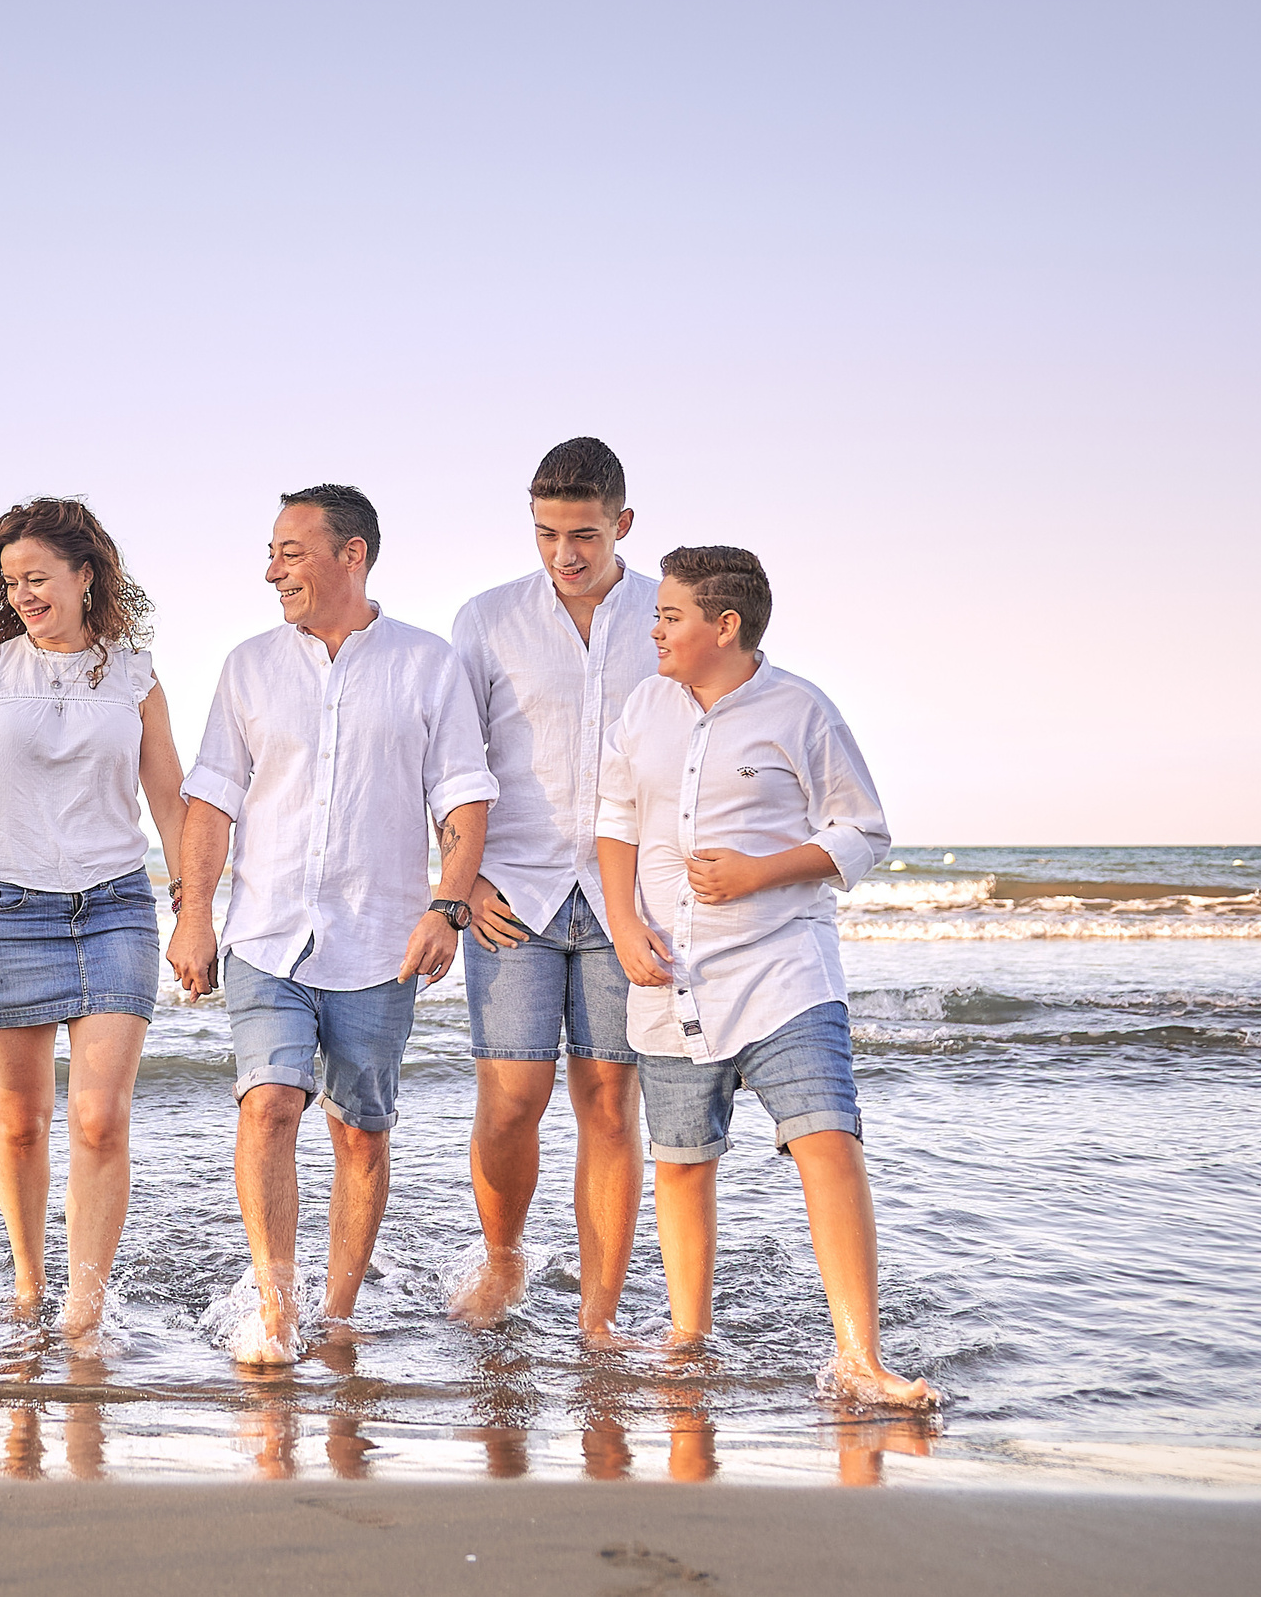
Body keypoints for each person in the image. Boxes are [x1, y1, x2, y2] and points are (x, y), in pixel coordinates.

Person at [595, 546, 939, 1405]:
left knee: (827, 1142)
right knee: (681, 1160)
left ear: (725, 625)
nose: (655, 628)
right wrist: (624, 925)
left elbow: (864, 831)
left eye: (670, 616)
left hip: (787, 969)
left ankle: (861, 1358)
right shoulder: (644, 706)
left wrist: (760, 872)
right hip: (670, 976)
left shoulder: (801, 710)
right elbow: (614, 824)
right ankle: (687, 1339)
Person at [169, 485, 497, 1364]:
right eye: (272, 551)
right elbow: (211, 799)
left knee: (361, 1130)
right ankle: (276, 1309)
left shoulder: (427, 663)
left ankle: (339, 1310)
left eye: (290, 551)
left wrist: (446, 908)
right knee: (271, 1102)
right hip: (266, 932)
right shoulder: (248, 666)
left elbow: (462, 794)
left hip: (380, 937)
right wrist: (194, 914)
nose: (272, 569)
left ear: (352, 555)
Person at [0, 499, 187, 1336]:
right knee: (21, 1122)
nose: (24, 594)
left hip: (114, 905)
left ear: (85, 575)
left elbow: (168, 799)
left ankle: (84, 1307)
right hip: (5, 906)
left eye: (38, 578)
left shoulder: (135, 675)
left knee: (100, 1118)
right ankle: (30, 1282)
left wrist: (196, 905)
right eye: (13, 582)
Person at [447, 437, 657, 1334]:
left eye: (583, 534)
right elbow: (449, 761)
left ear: (623, 524)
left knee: (610, 1103)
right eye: (545, 534)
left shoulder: (665, 615)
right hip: (514, 895)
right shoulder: (488, 619)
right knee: (511, 1100)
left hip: (628, 901)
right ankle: (503, 1263)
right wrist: (460, 881)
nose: (565, 555)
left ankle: (600, 1315)